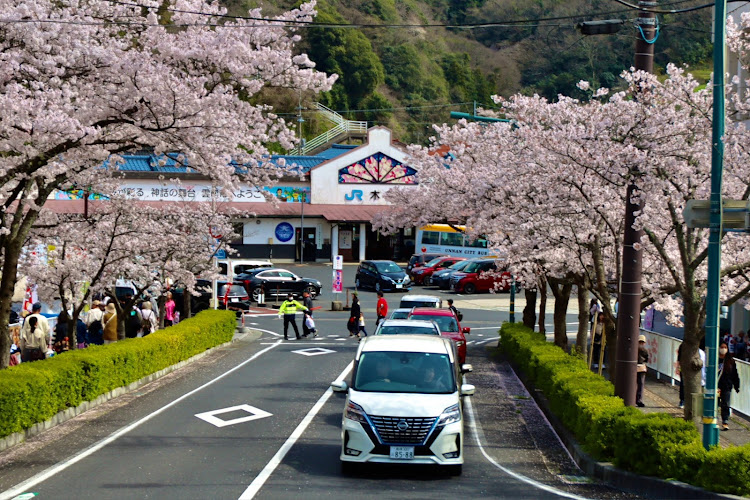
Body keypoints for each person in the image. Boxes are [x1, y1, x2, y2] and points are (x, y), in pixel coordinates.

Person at [718, 342, 741, 431]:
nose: (723, 349)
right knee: (715, 403)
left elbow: (734, 374)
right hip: (716, 385)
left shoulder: (730, 360)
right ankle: (713, 419)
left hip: (726, 386)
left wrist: (736, 385)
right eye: (722, 347)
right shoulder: (715, 359)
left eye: (725, 347)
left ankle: (725, 422)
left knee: (726, 404)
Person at [636, 334, 649, 407]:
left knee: (639, 384)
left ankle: (638, 399)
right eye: (640, 342)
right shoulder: (645, 350)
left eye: (642, 342)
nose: (641, 344)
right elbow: (646, 360)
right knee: (640, 384)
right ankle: (639, 400)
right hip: (641, 368)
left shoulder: (635, 349)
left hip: (638, 368)